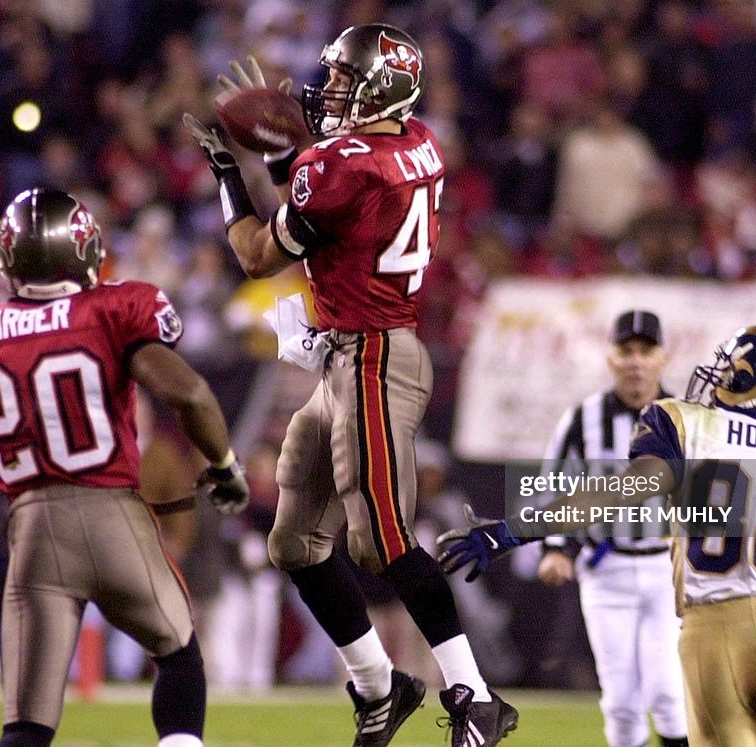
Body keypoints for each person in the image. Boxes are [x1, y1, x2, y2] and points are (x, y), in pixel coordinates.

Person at [183, 23, 518, 747]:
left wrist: (226, 173)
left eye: (342, 79)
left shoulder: (339, 164)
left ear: (380, 90)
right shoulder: (413, 140)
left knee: (382, 539)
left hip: (374, 356)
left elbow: (256, 254)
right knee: (296, 542)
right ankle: (379, 686)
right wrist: (282, 152)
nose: (327, 89)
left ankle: (477, 696)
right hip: (349, 354)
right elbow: (324, 201)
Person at [439, 325, 756, 747]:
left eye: (733, 370)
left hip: (705, 640)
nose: (719, 378)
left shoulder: (685, 424)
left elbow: (618, 493)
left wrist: (514, 531)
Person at [0, 188, 250, 747]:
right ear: (84, 251)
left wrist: (21, 440)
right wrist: (223, 464)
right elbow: (190, 395)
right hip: (111, 514)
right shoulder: (115, 309)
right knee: (179, 654)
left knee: (25, 728)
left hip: (33, 531)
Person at [536, 310, 688, 747]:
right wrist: (558, 548)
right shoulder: (582, 419)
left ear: (663, 357)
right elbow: (552, 488)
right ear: (610, 357)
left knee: (667, 693)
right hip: (606, 570)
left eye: (646, 350)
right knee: (621, 702)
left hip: (668, 572)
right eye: (626, 351)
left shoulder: (685, 418)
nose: (636, 361)